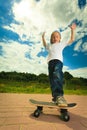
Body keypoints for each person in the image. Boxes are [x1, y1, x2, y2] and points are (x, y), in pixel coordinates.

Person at [42, 23, 76, 107]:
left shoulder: (61, 44)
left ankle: (60, 96)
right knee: (52, 80)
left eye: (57, 36)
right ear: (51, 38)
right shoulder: (49, 45)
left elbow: (71, 40)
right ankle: (55, 98)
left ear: (60, 38)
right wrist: (43, 37)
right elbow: (44, 44)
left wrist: (72, 30)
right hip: (50, 63)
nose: (55, 37)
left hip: (58, 62)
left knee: (57, 75)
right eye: (53, 36)